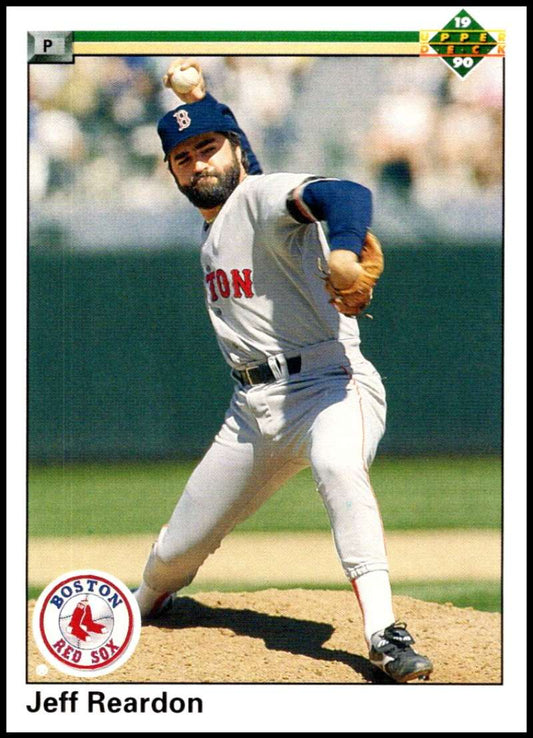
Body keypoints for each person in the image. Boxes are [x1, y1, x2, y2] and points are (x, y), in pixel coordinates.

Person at [134, 59, 433, 683]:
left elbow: (345, 194)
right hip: (251, 412)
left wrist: (345, 250)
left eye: (209, 148)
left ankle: (383, 632)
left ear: (236, 148)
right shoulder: (223, 218)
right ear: (171, 171)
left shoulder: (259, 196)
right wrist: (202, 102)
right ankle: (141, 607)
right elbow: (244, 180)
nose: (199, 164)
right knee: (175, 551)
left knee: (335, 463)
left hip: (331, 383)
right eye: (183, 157)